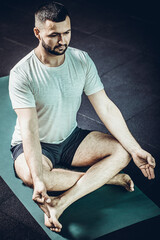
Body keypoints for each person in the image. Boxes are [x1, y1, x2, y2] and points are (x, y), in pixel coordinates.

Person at [9, 1, 156, 233]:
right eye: (54, 35)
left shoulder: (81, 60)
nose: (62, 41)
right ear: (37, 33)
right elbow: (29, 129)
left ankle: (61, 202)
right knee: (35, 178)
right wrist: (38, 179)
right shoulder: (22, 73)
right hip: (36, 144)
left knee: (123, 151)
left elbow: (105, 107)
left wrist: (136, 148)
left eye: (66, 32)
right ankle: (107, 178)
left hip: (70, 138)